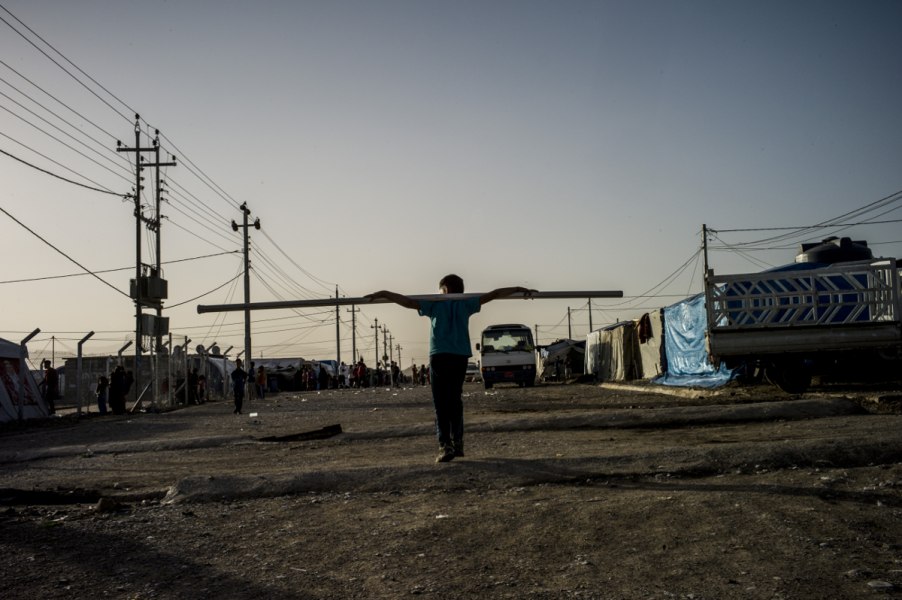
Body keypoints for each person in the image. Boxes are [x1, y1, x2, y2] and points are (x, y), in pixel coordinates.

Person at [367, 274, 533, 463]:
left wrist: (386, 293)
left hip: (440, 356)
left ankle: (446, 445)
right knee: (454, 400)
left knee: (441, 403)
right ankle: (457, 442)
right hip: (460, 356)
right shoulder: (466, 303)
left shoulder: (435, 303)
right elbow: (494, 293)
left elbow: (407, 301)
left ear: (444, 290)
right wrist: (518, 288)